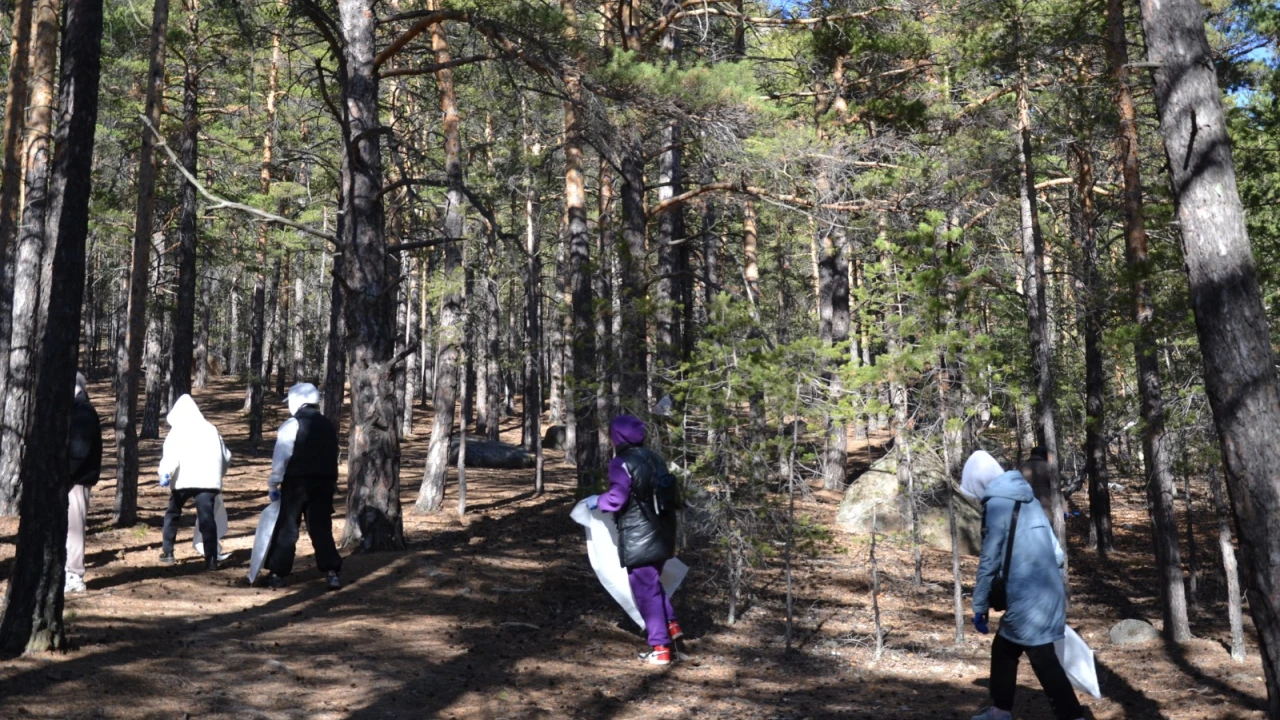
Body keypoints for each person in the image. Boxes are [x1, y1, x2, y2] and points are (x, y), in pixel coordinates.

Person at [961, 450, 1084, 720]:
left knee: (1042, 658)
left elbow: (989, 560)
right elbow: (1057, 555)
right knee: (1004, 649)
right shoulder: (1026, 497)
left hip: (1029, 598)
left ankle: (1072, 716)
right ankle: (999, 711)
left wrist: (980, 605)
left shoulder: (997, 504)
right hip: (1047, 590)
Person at [586, 415, 683, 665]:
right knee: (652, 583)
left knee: (644, 591)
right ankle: (672, 626)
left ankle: (660, 648)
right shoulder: (654, 458)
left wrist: (596, 500)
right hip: (663, 532)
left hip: (641, 536)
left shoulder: (622, 463)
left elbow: (617, 499)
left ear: (618, 437)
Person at [262, 382, 342, 590]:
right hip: (324, 484)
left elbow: (281, 456)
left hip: (297, 483)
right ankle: (331, 572)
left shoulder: (292, 425)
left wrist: (273, 483)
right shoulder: (328, 425)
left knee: (288, 528)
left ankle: (278, 573)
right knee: (321, 528)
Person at [158, 394, 232, 569]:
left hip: (183, 481)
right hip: (207, 482)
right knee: (207, 519)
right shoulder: (211, 429)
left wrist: (165, 473)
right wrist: (219, 474)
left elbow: (170, 456)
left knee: (173, 514)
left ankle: (168, 551)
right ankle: (211, 558)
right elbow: (226, 456)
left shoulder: (177, 430)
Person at [65, 372, 103, 593]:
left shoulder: (83, 411)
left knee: (74, 528)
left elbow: (80, 450)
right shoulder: (78, 410)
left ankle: (74, 575)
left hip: (77, 480)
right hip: (74, 478)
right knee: (69, 527)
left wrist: (67, 474)